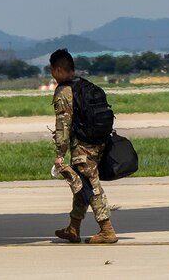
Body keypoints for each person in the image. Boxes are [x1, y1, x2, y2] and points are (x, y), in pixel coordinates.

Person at [49, 48, 117, 245]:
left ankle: (107, 229)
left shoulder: (64, 92)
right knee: (81, 186)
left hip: (83, 148)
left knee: (90, 186)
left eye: (53, 70)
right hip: (99, 143)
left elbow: (63, 126)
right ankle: (73, 227)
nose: (52, 75)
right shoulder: (86, 86)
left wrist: (60, 155)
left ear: (60, 70)